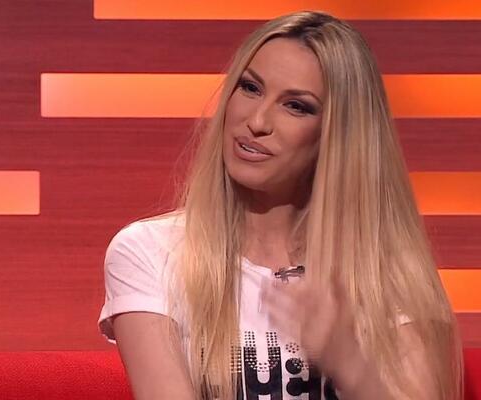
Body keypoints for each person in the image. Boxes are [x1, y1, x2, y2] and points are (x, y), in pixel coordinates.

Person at [97, 10, 463, 400]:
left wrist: (352, 367)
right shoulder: (149, 253)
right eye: (250, 88)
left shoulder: (386, 270)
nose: (257, 121)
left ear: (337, 135)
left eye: (296, 106)